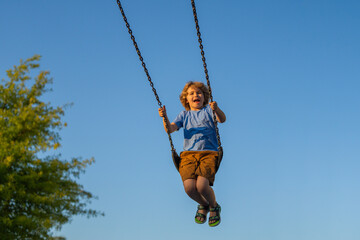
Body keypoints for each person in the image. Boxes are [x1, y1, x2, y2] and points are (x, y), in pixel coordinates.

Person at [158, 81, 226, 227]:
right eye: (191, 93)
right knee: (189, 188)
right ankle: (204, 204)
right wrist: (164, 117)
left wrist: (216, 109)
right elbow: (170, 129)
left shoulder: (208, 110)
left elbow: (222, 119)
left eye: (199, 93)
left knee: (202, 186)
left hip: (208, 153)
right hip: (188, 155)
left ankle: (214, 206)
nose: (196, 95)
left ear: (204, 97)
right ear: (186, 99)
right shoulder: (184, 115)